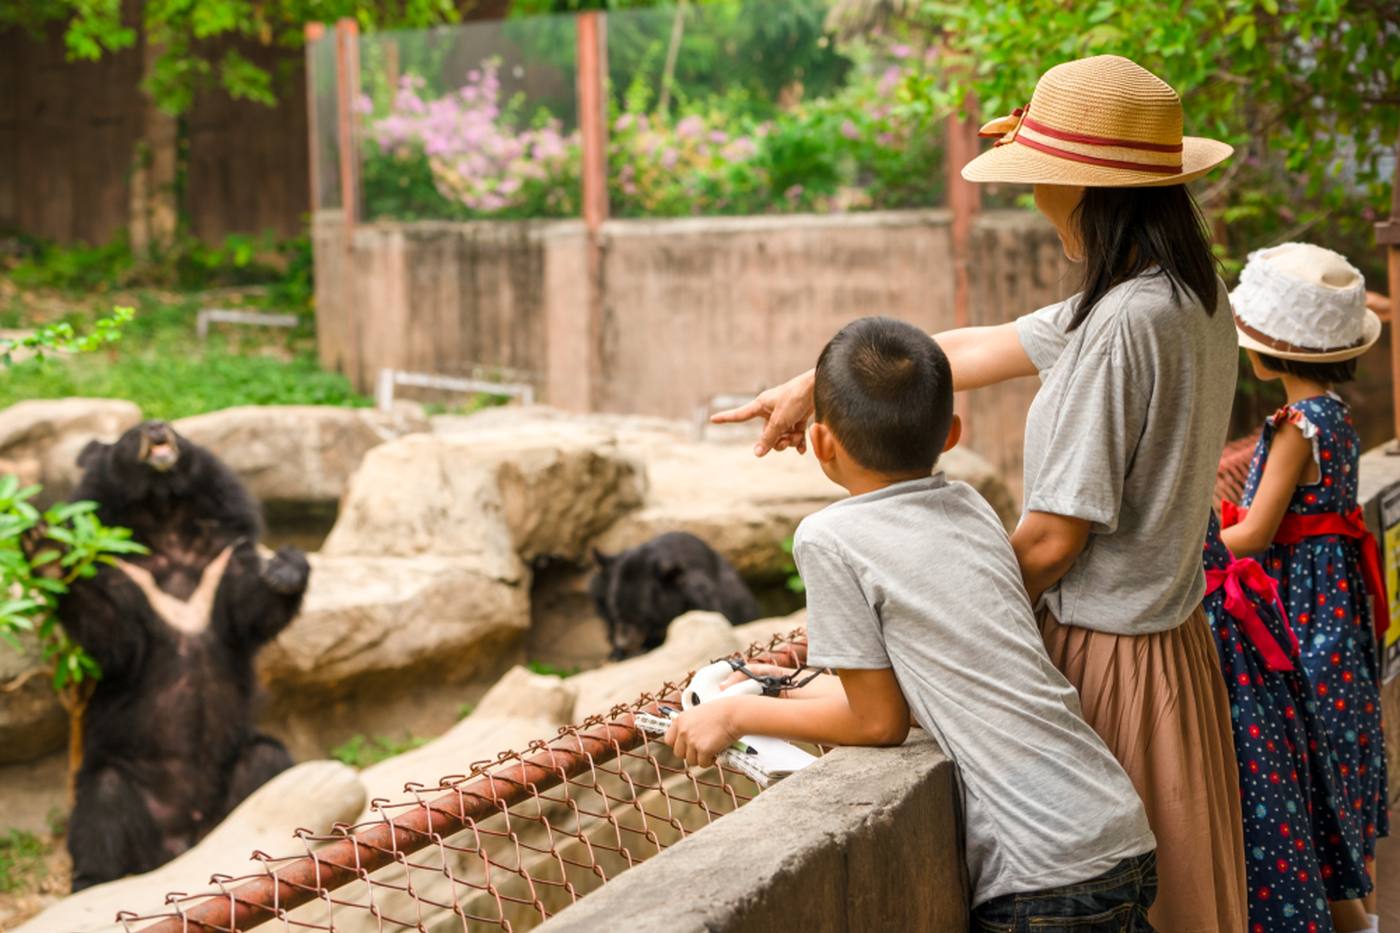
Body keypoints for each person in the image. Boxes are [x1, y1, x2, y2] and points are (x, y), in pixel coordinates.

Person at [711, 55, 1247, 930]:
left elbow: (1048, 543)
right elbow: (973, 348)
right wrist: (819, 382)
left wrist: (933, 631)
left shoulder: (1120, 327)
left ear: (1082, 188)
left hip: (1109, 661)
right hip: (1173, 649)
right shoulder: (1184, 291)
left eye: (1039, 177)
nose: (1033, 198)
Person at [664, 316, 1157, 930]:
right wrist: (778, 686)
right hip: (1112, 822)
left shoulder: (829, 538)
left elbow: (878, 721)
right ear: (951, 434)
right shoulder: (970, 505)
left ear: (820, 444)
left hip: (1042, 868)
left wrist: (734, 713)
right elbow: (936, 669)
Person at [1219, 242, 1390, 932]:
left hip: (1305, 607)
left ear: (1264, 351)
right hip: (1339, 602)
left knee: (1313, 764)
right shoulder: (1339, 415)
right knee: (1344, 761)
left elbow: (1257, 533)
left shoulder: (1294, 427)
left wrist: (1195, 548)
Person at [1202, 510, 1371, 932]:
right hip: (1255, 624)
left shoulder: (1298, 438)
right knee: (1302, 824)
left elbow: (1257, 531)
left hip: (1278, 613)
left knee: (1275, 822)